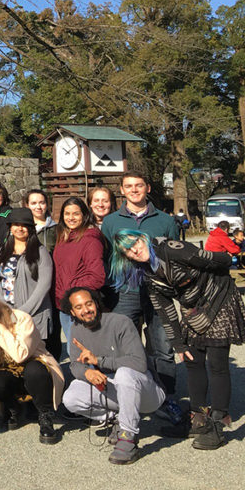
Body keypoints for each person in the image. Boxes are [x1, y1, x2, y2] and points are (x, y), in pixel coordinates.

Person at [110, 230, 245, 449]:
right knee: (192, 360)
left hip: (220, 298)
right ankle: (198, 420)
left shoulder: (172, 250)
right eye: (128, 251)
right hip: (194, 310)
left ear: (142, 238)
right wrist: (178, 344)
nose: (134, 250)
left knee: (218, 363)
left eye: (134, 243)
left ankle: (219, 424)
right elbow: (166, 312)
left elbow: (215, 259)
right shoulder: (149, 276)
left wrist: (228, 263)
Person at [100, 172, 181, 418]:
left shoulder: (165, 221)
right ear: (122, 191)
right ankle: (126, 395)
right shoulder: (111, 221)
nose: (134, 190)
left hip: (159, 293)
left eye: (138, 185)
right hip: (124, 293)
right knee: (119, 347)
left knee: (163, 348)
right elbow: (103, 258)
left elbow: (176, 258)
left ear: (147, 188)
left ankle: (166, 398)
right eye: (128, 186)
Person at [60, 287, 167, 465]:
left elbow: (139, 363)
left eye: (89, 303)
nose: (86, 310)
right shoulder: (76, 329)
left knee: (125, 373)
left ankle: (128, 437)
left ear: (96, 303)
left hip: (147, 392)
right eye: (79, 307)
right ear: (72, 311)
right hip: (116, 389)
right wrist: (88, 372)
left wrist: (99, 362)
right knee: (71, 397)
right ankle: (119, 418)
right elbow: (75, 364)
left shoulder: (120, 322)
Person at [0, 290, 63, 444]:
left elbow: (20, 355)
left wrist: (3, 329)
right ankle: (13, 407)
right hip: (11, 373)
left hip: (36, 368)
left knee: (34, 370)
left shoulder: (21, 318)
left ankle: (45, 416)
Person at [0, 207, 53, 340]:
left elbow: (43, 286)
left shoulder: (40, 252)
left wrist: (21, 312)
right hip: (6, 314)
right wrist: (5, 310)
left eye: (25, 225)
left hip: (33, 315)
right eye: (16, 224)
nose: (20, 228)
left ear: (31, 228)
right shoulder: (0, 251)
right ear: (10, 227)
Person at [51, 196, 105, 350]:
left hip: (79, 304)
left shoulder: (90, 239)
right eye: (67, 214)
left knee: (82, 350)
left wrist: (72, 292)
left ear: (84, 215)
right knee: (73, 350)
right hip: (63, 305)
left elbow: (97, 277)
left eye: (76, 214)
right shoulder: (63, 236)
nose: (71, 218)